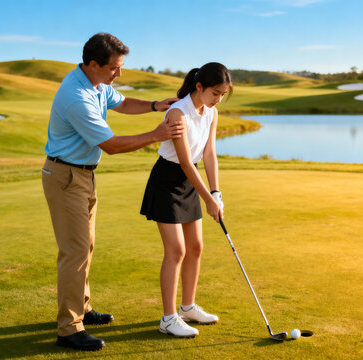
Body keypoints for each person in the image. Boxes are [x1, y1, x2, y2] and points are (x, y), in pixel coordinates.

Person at [42, 32, 182, 351]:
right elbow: (112, 145)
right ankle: (69, 328)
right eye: (114, 68)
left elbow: (122, 103)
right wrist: (157, 133)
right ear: (93, 64)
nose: (118, 74)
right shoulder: (76, 97)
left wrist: (154, 105)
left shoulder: (98, 83)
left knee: (85, 247)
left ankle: (82, 308)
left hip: (83, 174)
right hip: (65, 176)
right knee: (75, 252)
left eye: (120, 67)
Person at [140, 62, 232, 338]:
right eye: (215, 93)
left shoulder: (211, 113)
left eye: (223, 95)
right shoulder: (177, 113)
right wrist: (208, 199)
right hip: (167, 181)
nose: (218, 100)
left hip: (190, 182)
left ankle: (188, 307)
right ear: (199, 86)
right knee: (177, 250)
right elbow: (184, 163)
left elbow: (209, 154)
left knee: (196, 246)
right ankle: (168, 318)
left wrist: (216, 193)